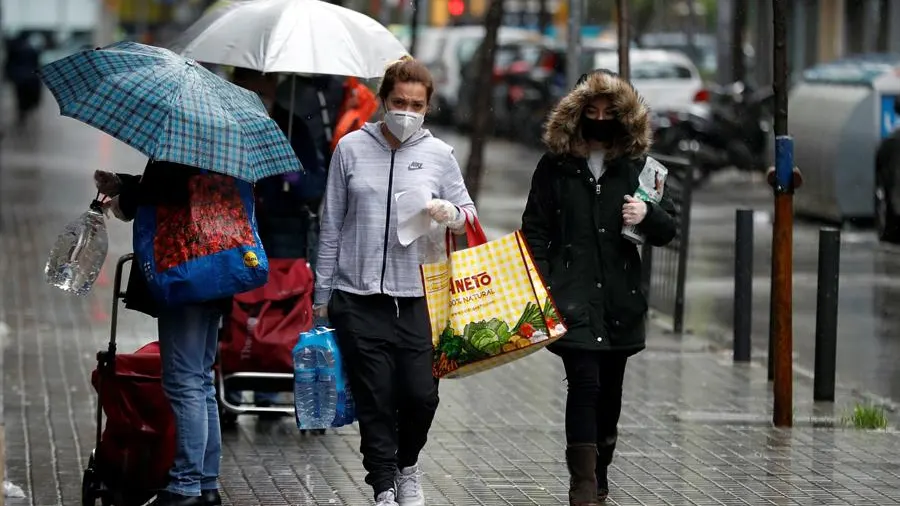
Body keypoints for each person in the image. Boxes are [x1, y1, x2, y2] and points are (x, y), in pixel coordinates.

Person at [313, 56, 477, 506]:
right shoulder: (350, 148)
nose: (407, 111)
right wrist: (321, 296)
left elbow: (469, 217)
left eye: (417, 104)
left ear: (427, 108)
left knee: (421, 395)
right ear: (383, 100)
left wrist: (451, 214)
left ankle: (408, 465)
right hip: (358, 295)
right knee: (376, 396)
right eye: (399, 101)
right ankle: (384, 485)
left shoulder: (439, 156)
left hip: (420, 297)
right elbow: (331, 225)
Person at [520, 69, 676, 505]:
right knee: (584, 385)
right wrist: (548, 281)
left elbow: (669, 229)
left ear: (624, 117)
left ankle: (601, 467)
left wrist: (647, 216)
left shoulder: (640, 169)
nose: (600, 118)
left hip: (620, 300)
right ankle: (583, 486)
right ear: (577, 113)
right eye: (592, 111)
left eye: (610, 112)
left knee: (610, 393)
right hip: (573, 299)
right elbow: (534, 227)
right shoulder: (556, 165)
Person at [95, 163, 226, 506]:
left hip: (184, 270)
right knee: (200, 380)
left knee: (184, 382)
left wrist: (126, 192)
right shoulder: (222, 147)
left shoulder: (184, 144)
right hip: (214, 271)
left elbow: (165, 188)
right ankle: (206, 483)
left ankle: (185, 486)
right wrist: (125, 183)